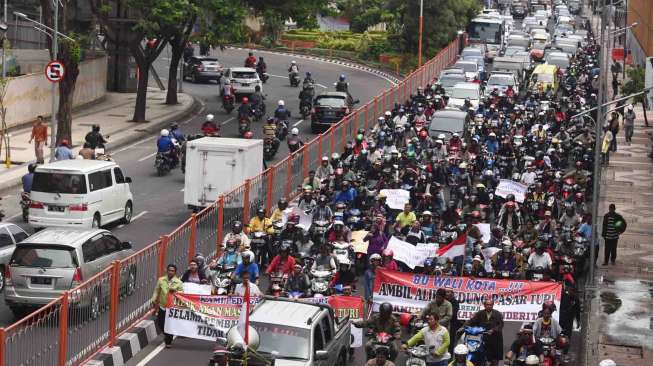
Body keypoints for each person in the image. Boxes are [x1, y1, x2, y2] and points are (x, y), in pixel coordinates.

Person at [461, 299, 504, 366]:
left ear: (493, 305)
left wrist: (493, 330)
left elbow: (501, 324)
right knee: (481, 355)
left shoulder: (497, 314)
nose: (489, 306)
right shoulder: (480, 313)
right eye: (487, 305)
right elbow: (471, 321)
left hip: (495, 339)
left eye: (490, 305)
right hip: (483, 337)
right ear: (484, 305)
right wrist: (464, 327)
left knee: (494, 359)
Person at [151, 264, 183, 348]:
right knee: (160, 323)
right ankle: (167, 334)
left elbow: (182, 293)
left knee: (169, 324)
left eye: (172, 271)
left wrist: (175, 291)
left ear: (175, 272)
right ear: (167, 271)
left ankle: (168, 340)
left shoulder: (178, 282)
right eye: (169, 270)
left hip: (172, 307)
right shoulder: (161, 280)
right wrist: (153, 299)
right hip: (162, 306)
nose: (170, 272)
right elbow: (156, 290)